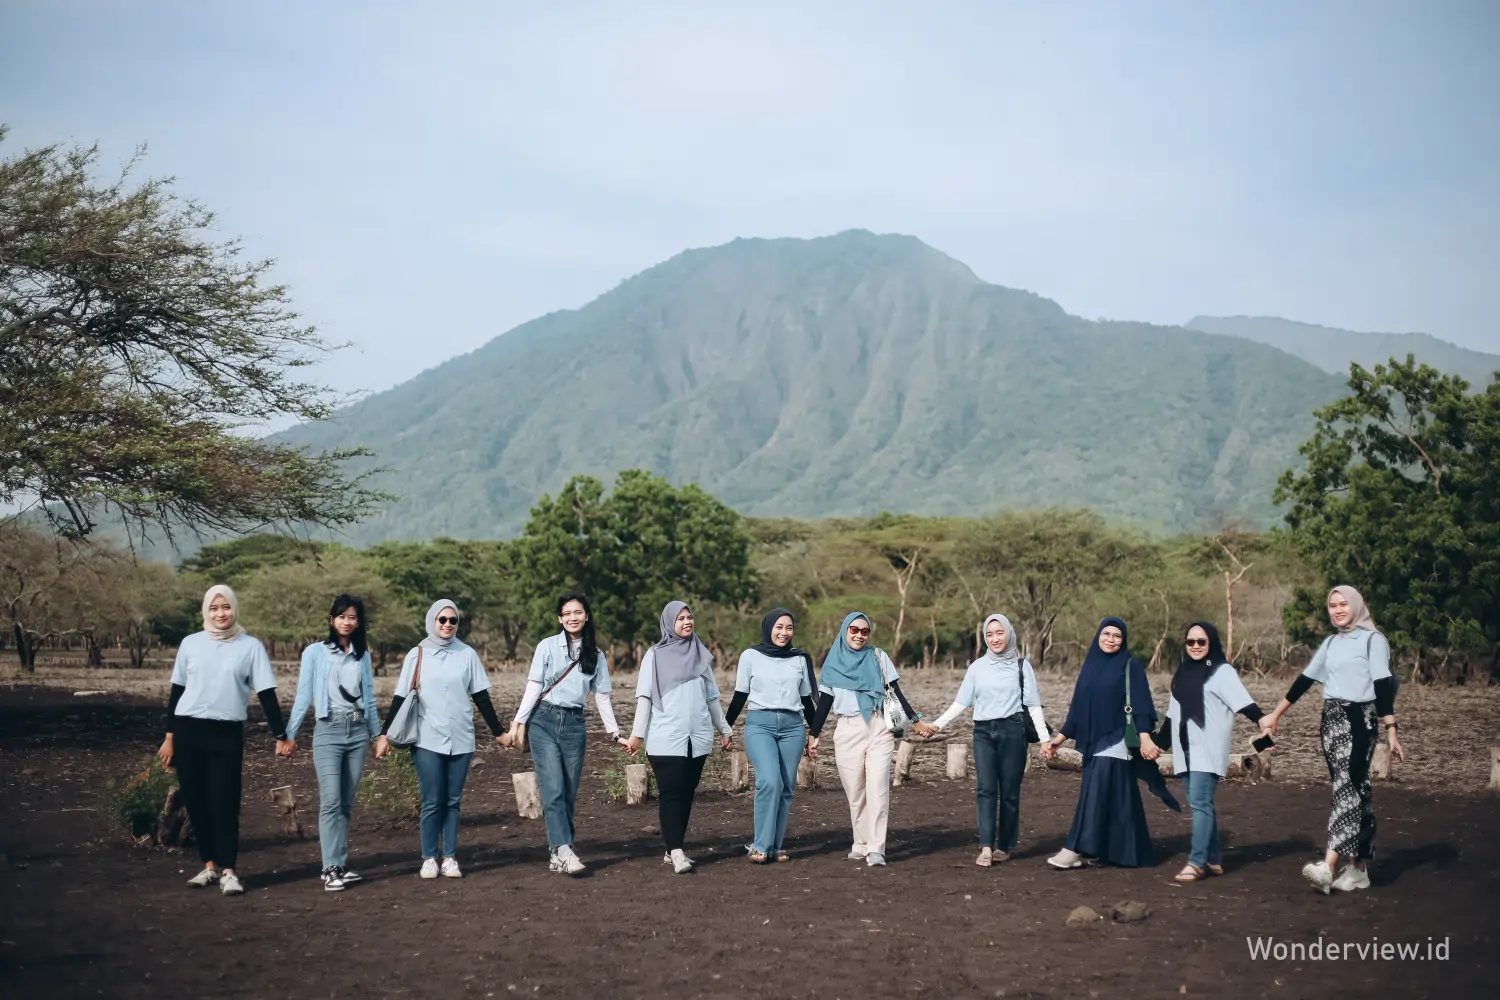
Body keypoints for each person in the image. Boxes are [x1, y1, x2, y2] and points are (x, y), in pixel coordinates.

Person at [1264, 586, 1404, 894]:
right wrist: (1276, 715)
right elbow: (1305, 680)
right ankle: (1358, 869)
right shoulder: (1331, 643)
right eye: (1332, 605)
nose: (1338, 609)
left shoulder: (1373, 641)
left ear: (1356, 605)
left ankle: (1327, 866)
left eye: (1343, 604)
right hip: (1331, 721)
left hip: (1359, 721)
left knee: (1347, 788)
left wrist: (1391, 728)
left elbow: (1382, 684)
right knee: (1357, 790)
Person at [156, 584, 288, 897]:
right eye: (214, 608)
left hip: (225, 733)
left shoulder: (250, 647)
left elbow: (266, 693)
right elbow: (177, 692)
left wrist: (281, 734)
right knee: (197, 801)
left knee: (225, 803)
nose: (220, 614)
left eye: (225, 607)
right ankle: (210, 866)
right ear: (206, 611)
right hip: (188, 731)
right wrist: (169, 736)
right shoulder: (191, 644)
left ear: (234, 608)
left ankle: (229, 871)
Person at [374, 599, 506, 879]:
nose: (447, 625)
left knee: (453, 800)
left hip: (461, 738)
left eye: (453, 620)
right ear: (432, 621)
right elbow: (400, 697)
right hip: (427, 737)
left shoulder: (467, 654)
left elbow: (481, 697)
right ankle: (429, 858)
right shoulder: (417, 654)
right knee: (432, 799)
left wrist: (499, 732)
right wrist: (385, 734)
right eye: (442, 620)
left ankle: (450, 857)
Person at [1041, 617, 1178, 869]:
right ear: (1098, 636)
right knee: (1117, 795)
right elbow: (1078, 710)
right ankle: (1125, 852)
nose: (1111, 639)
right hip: (1093, 741)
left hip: (1116, 739)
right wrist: (1058, 740)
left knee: (1094, 792)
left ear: (1123, 640)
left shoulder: (1130, 666)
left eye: (1117, 635)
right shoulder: (1090, 666)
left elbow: (1141, 704)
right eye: (1106, 634)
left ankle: (1074, 848)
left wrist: (1146, 738)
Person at [504, 593, 624, 876]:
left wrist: (615, 733)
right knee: (553, 788)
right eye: (567, 613)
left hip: (575, 725)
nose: (573, 617)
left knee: (568, 792)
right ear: (560, 618)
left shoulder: (596, 654)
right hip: (543, 720)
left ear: (587, 616)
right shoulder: (546, 646)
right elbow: (534, 687)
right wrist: (516, 724)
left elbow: (602, 697)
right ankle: (565, 849)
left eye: (578, 612)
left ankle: (557, 852)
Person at [1142, 622, 1271, 882]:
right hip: (1184, 746)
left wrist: (1261, 721)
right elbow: (1172, 714)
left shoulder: (1222, 672)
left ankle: (1197, 862)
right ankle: (1212, 859)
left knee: (1200, 803)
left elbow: (1243, 702)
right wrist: (1158, 744)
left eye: (1202, 642)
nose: (1196, 646)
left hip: (1208, 747)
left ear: (1211, 642)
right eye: (1191, 642)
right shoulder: (1182, 672)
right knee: (1201, 802)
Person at [807, 611, 935, 867]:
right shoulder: (832, 663)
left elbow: (895, 692)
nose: (859, 635)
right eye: (854, 630)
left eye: (865, 631)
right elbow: (825, 703)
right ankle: (860, 843)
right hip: (847, 728)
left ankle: (877, 848)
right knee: (856, 791)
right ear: (845, 630)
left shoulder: (878, 657)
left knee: (877, 788)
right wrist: (814, 733)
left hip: (879, 727)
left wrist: (915, 720)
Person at [930, 614, 1051, 867]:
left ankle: (1005, 845)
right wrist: (936, 725)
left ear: (1008, 634)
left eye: (999, 633)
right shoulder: (976, 667)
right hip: (983, 732)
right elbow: (961, 703)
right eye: (989, 634)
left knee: (1009, 792)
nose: (995, 638)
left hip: (1013, 730)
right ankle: (986, 846)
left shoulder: (1021, 666)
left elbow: (1033, 705)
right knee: (985, 789)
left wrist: (1045, 740)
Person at [624, 601, 732, 875]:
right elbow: (645, 698)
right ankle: (677, 851)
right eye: (680, 618)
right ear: (669, 623)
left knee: (686, 793)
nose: (686, 622)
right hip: (665, 736)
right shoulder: (655, 655)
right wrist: (636, 734)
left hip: (697, 737)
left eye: (689, 617)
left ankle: (672, 846)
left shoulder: (700, 654)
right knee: (671, 793)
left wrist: (725, 730)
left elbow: (711, 698)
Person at [284, 595, 381, 891]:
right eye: (342, 616)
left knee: (346, 804)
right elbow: (303, 695)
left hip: (358, 731)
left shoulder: (362, 655)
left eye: (352, 617)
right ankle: (330, 869)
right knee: (331, 801)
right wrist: (288, 734)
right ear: (332, 619)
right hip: (328, 731)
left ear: (359, 622)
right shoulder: (315, 652)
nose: (347, 621)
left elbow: (370, 698)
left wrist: (378, 735)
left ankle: (340, 863)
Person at [725, 608, 819, 864]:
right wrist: (726, 728)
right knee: (769, 781)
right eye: (779, 627)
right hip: (760, 725)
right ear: (768, 628)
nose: (784, 633)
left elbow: (806, 701)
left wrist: (815, 733)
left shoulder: (799, 659)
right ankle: (759, 845)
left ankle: (775, 847)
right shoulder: (750, 656)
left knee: (787, 786)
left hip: (792, 727)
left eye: (789, 628)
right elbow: (739, 696)